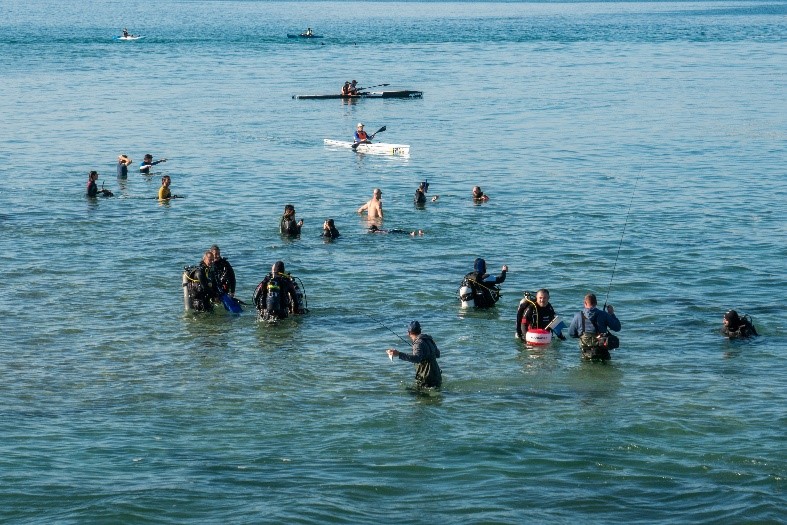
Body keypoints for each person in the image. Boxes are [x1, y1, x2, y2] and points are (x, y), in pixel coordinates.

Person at [386, 321, 442, 388]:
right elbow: (438, 354)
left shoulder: (418, 343)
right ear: (420, 330)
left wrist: (398, 354)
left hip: (427, 378)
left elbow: (416, 359)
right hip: (437, 375)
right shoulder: (429, 339)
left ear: (409, 333)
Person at [568, 293, 622, 360]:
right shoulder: (603, 314)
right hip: (602, 354)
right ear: (596, 303)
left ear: (585, 303)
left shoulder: (578, 316)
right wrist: (611, 314)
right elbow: (617, 327)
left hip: (586, 355)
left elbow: (571, 334)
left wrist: (582, 335)